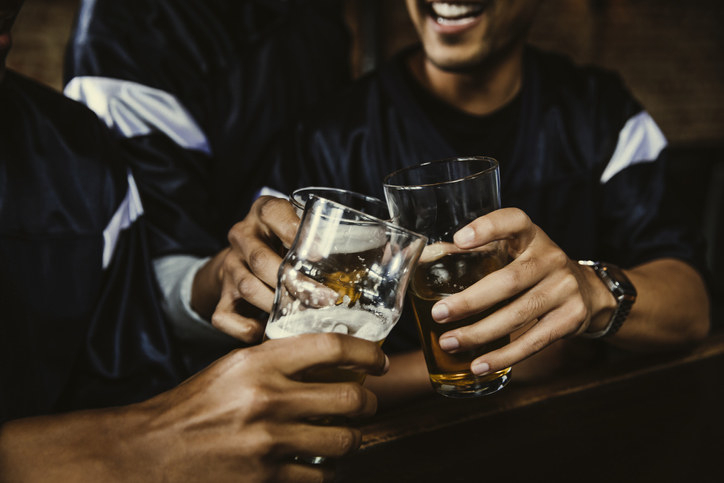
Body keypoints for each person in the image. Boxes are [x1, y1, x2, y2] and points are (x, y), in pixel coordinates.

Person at [198, 0, 711, 397]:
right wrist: (490, 364)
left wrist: (592, 294)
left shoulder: (602, 113)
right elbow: (280, 366)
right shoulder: (324, 138)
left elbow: (690, 307)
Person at [2, 2, 388, 479]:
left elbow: (124, 347)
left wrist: (229, 272)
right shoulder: (130, 40)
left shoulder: (74, 150)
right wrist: (136, 444)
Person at [63, 0, 355, 370]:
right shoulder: (129, 30)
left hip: (310, 339)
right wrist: (228, 272)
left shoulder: (315, 17)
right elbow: (141, 282)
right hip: (194, 376)